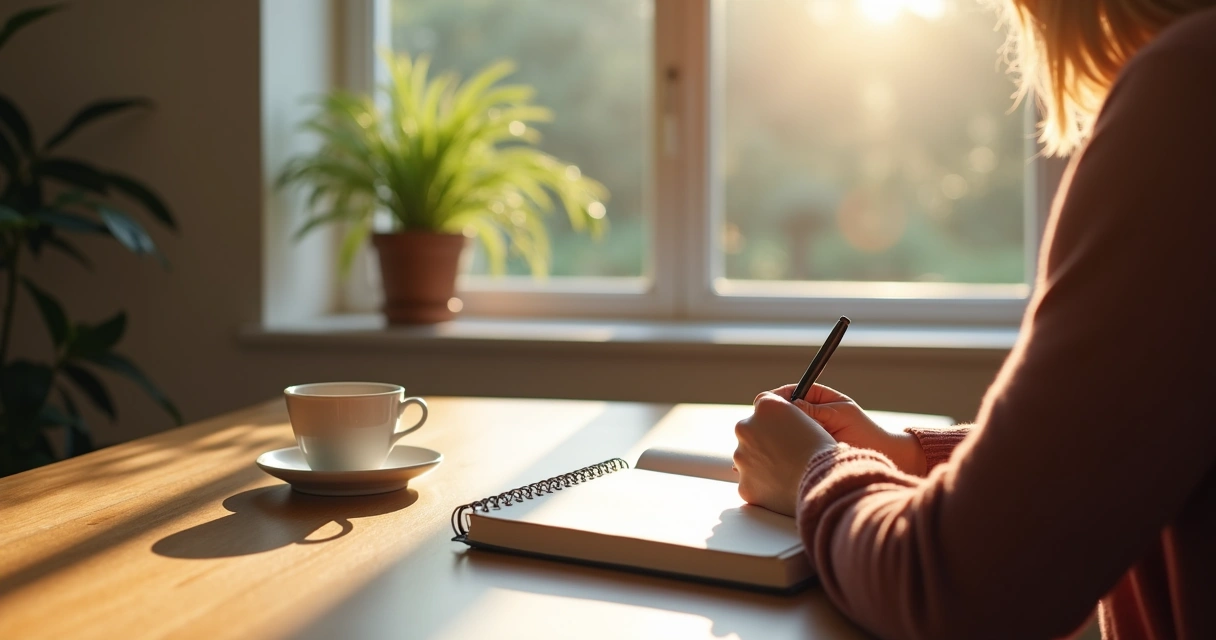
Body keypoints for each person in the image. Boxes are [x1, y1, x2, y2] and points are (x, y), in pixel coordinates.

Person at [730, 1, 1216, 639]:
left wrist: (815, 475)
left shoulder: (1190, 90)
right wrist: (907, 456)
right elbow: (1133, 436)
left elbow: (956, 589)